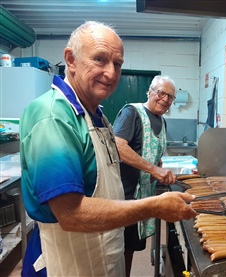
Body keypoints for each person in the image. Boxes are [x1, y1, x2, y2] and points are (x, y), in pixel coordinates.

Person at [20, 21, 197, 277]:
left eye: (117, 64)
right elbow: (71, 214)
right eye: (100, 60)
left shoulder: (97, 115)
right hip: (67, 262)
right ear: (71, 60)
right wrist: (153, 206)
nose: (111, 74)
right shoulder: (53, 116)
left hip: (101, 252)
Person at [113, 75, 177, 276]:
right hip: (125, 195)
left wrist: (158, 167)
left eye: (170, 97)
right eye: (161, 93)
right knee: (118, 250)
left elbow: (153, 153)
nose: (165, 100)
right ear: (149, 92)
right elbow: (118, 146)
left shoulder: (161, 122)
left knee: (131, 247)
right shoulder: (132, 113)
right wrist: (154, 170)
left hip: (143, 196)